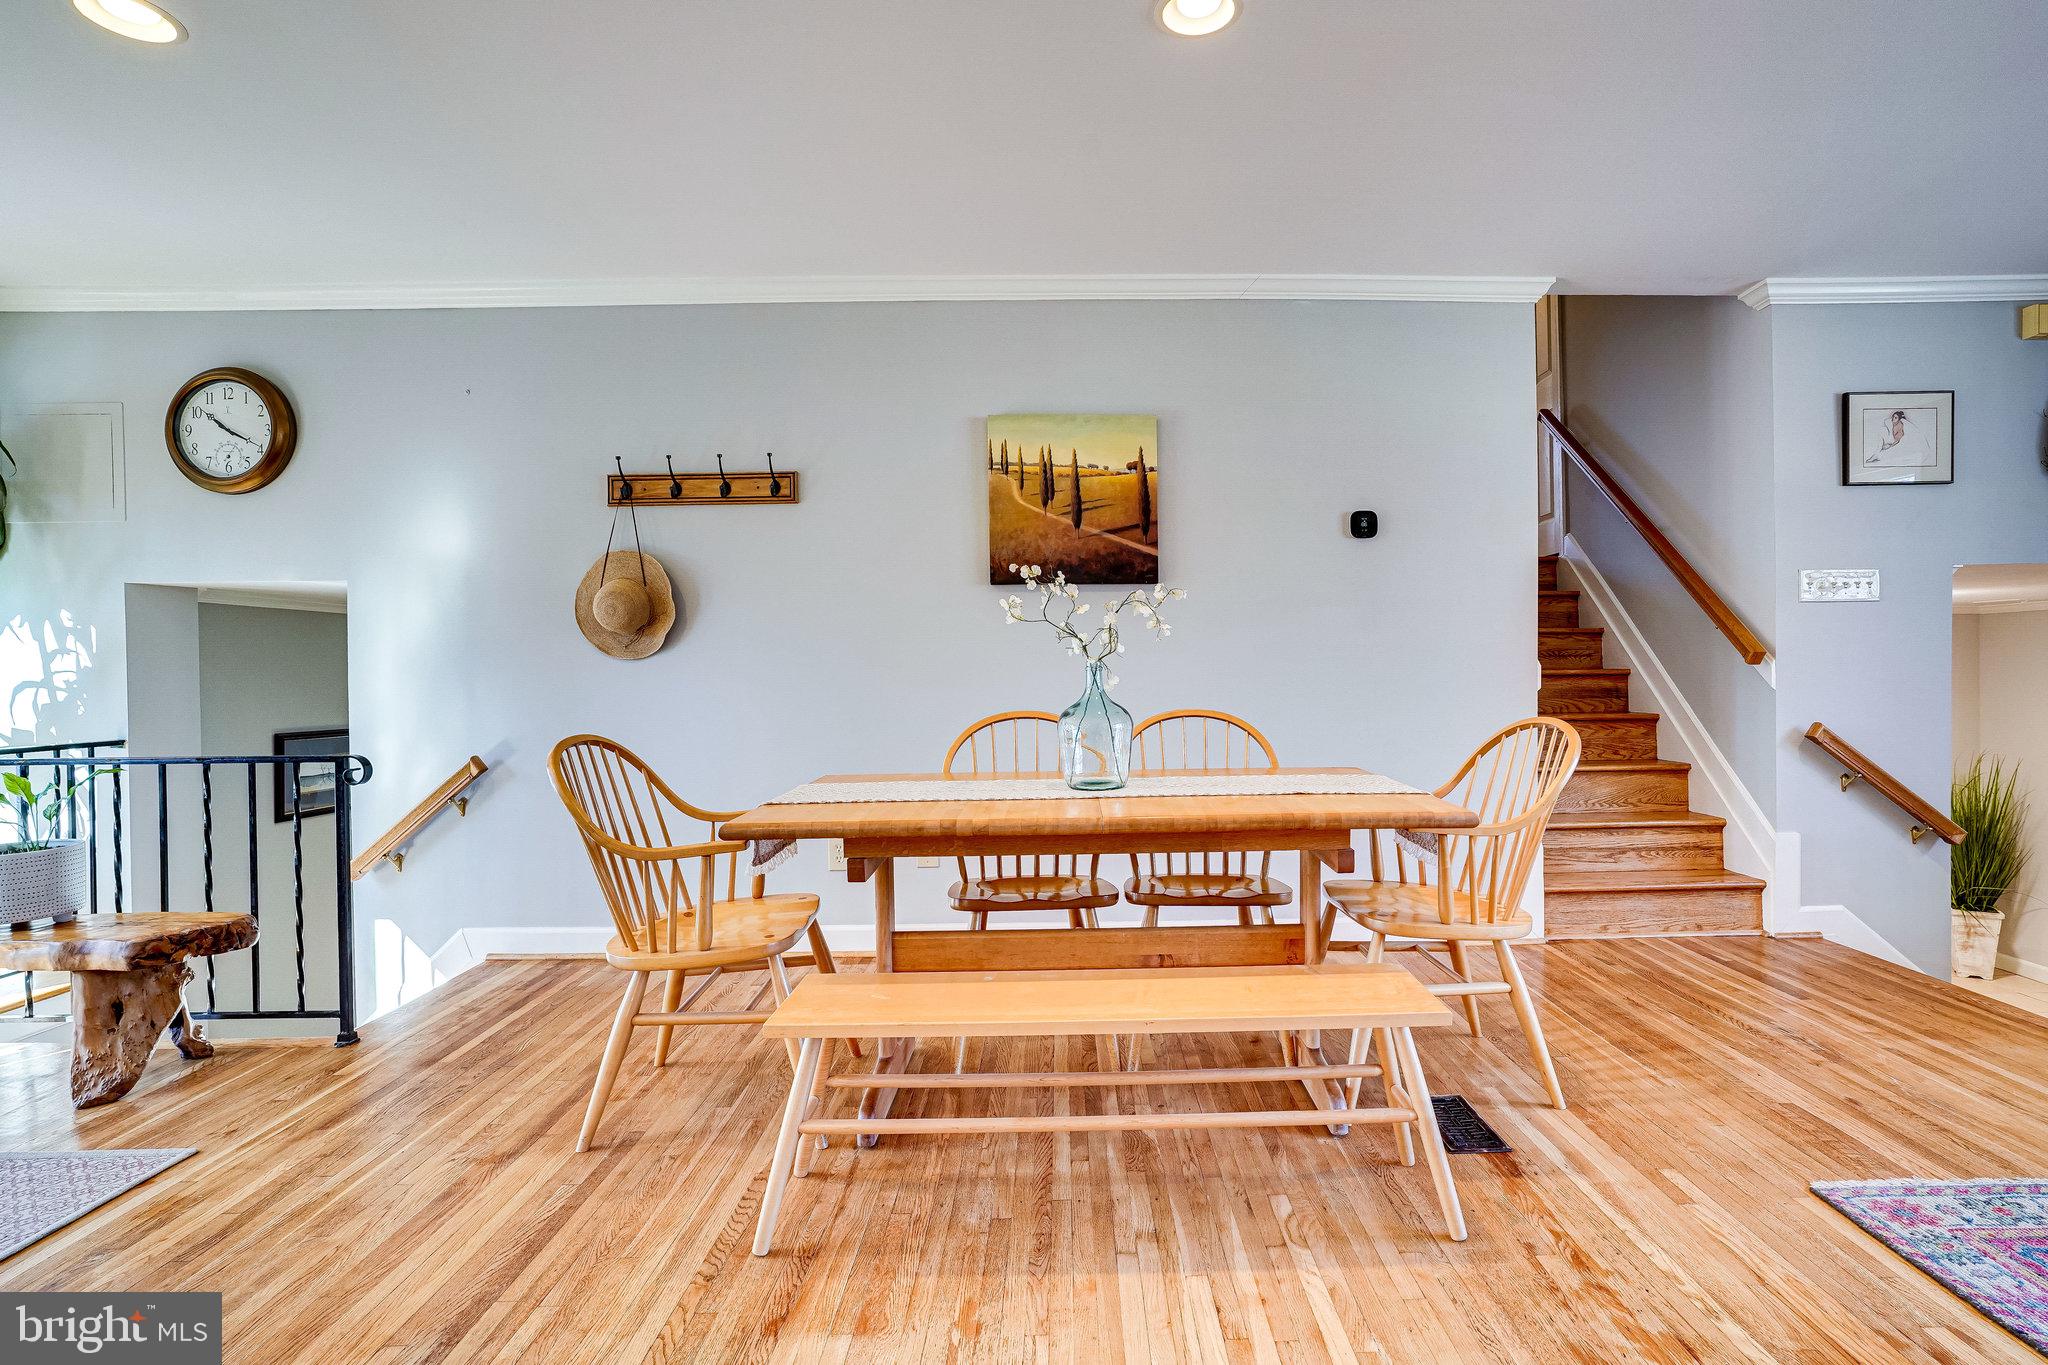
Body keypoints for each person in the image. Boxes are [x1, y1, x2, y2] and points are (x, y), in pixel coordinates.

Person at [1869, 408, 1935, 467]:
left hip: (1899, 443)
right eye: (1893, 417)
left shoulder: (1900, 426)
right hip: (1892, 441)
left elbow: (1898, 440)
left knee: (1887, 454)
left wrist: (1889, 446)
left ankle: (1877, 455)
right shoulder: (1891, 423)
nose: (1893, 419)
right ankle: (1877, 453)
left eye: (1895, 418)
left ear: (1899, 419)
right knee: (1882, 431)